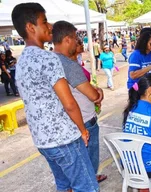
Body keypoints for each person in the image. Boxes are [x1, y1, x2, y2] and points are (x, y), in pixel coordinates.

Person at [11, 3, 99, 192]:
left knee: (64, 185)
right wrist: (83, 130)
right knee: (88, 187)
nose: (50, 26)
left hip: (42, 140)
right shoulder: (48, 59)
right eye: (44, 21)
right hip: (64, 138)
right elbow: (69, 103)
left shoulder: (22, 61)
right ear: (30, 27)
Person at [52, 20, 107, 183]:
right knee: (87, 170)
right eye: (75, 37)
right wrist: (99, 92)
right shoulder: (68, 64)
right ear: (67, 39)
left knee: (71, 170)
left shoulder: (49, 61)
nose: (78, 41)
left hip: (65, 123)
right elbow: (93, 95)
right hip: (84, 121)